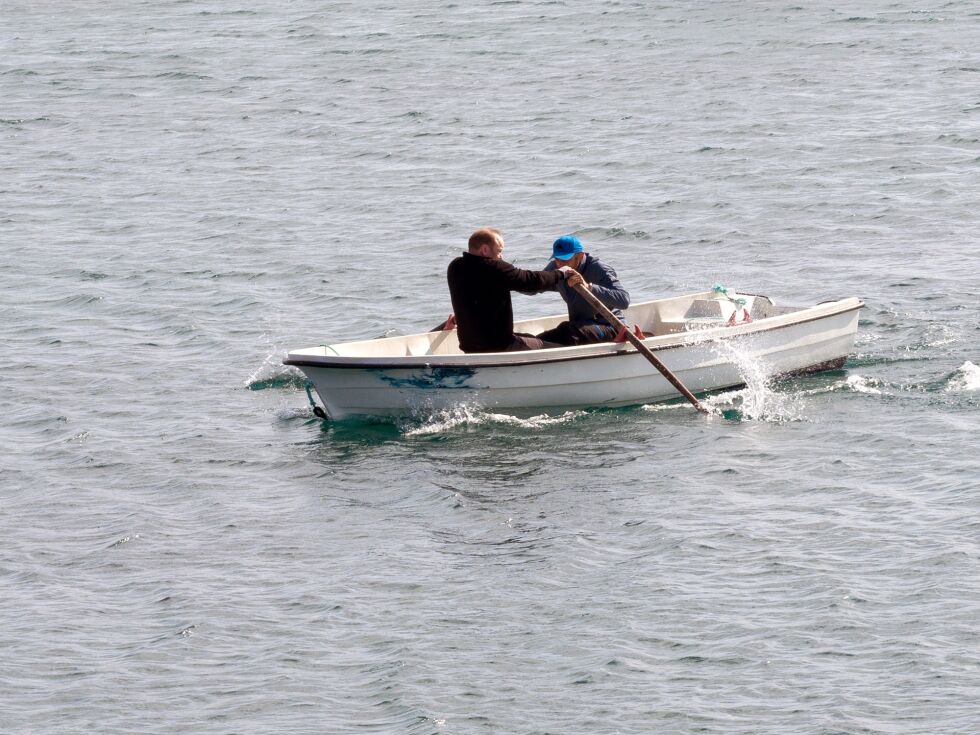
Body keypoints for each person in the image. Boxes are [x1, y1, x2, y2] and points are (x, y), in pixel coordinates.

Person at [446, 227, 579, 353]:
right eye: (499, 251)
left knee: (529, 337)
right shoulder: (495, 268)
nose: (501, 256)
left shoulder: (455, 267)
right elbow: (531, 281)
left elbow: (476, 295)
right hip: (500, 346)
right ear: (485, 250)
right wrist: (561, 273)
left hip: (469, 346)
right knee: (557, 349)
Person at [535, 235, 630, 346]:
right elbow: (534, 285)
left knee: (567, 330)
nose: (560, 264)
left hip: (611, 327)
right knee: (535, 342)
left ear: (579, 256)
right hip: (579, 327)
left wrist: (589, 287)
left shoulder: (599, 269)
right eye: (557, 259)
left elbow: (624, 300)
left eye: (565, 260)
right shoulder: (556, 268)